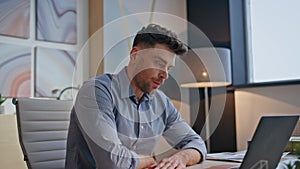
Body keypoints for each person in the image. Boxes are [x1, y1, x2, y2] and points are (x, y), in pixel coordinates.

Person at [65, 24, 207, 169]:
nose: (165, 75)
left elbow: (197, 143)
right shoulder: (96, 92)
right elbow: (112, 163)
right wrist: (148, 160)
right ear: (135, 55)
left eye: (168, 68)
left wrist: (181, 157)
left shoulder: (161, 102)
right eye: (159, 63)